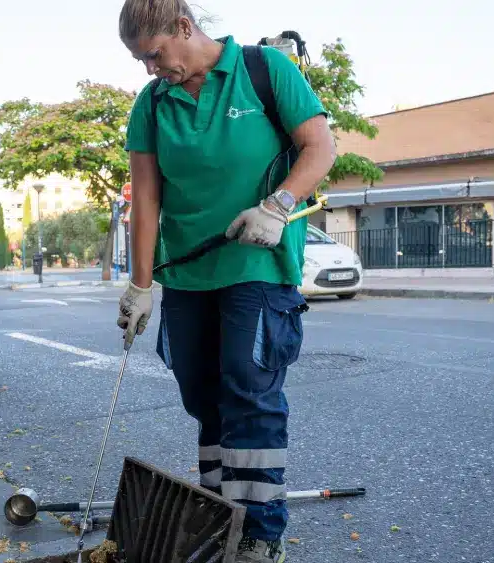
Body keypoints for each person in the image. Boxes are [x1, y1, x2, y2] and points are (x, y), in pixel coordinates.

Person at [115, 1, 336, 561]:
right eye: (141, 61)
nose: (150, 69)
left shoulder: (265, 70)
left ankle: (259, 538)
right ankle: (219, 515)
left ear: (184, 28)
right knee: (201, 394)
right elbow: (147, 201)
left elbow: (320, 147)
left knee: (247, 388)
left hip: (254, 265)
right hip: (188, 272)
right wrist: (141, 286)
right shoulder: (152, 104)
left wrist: (280, 204)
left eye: (155, 55)